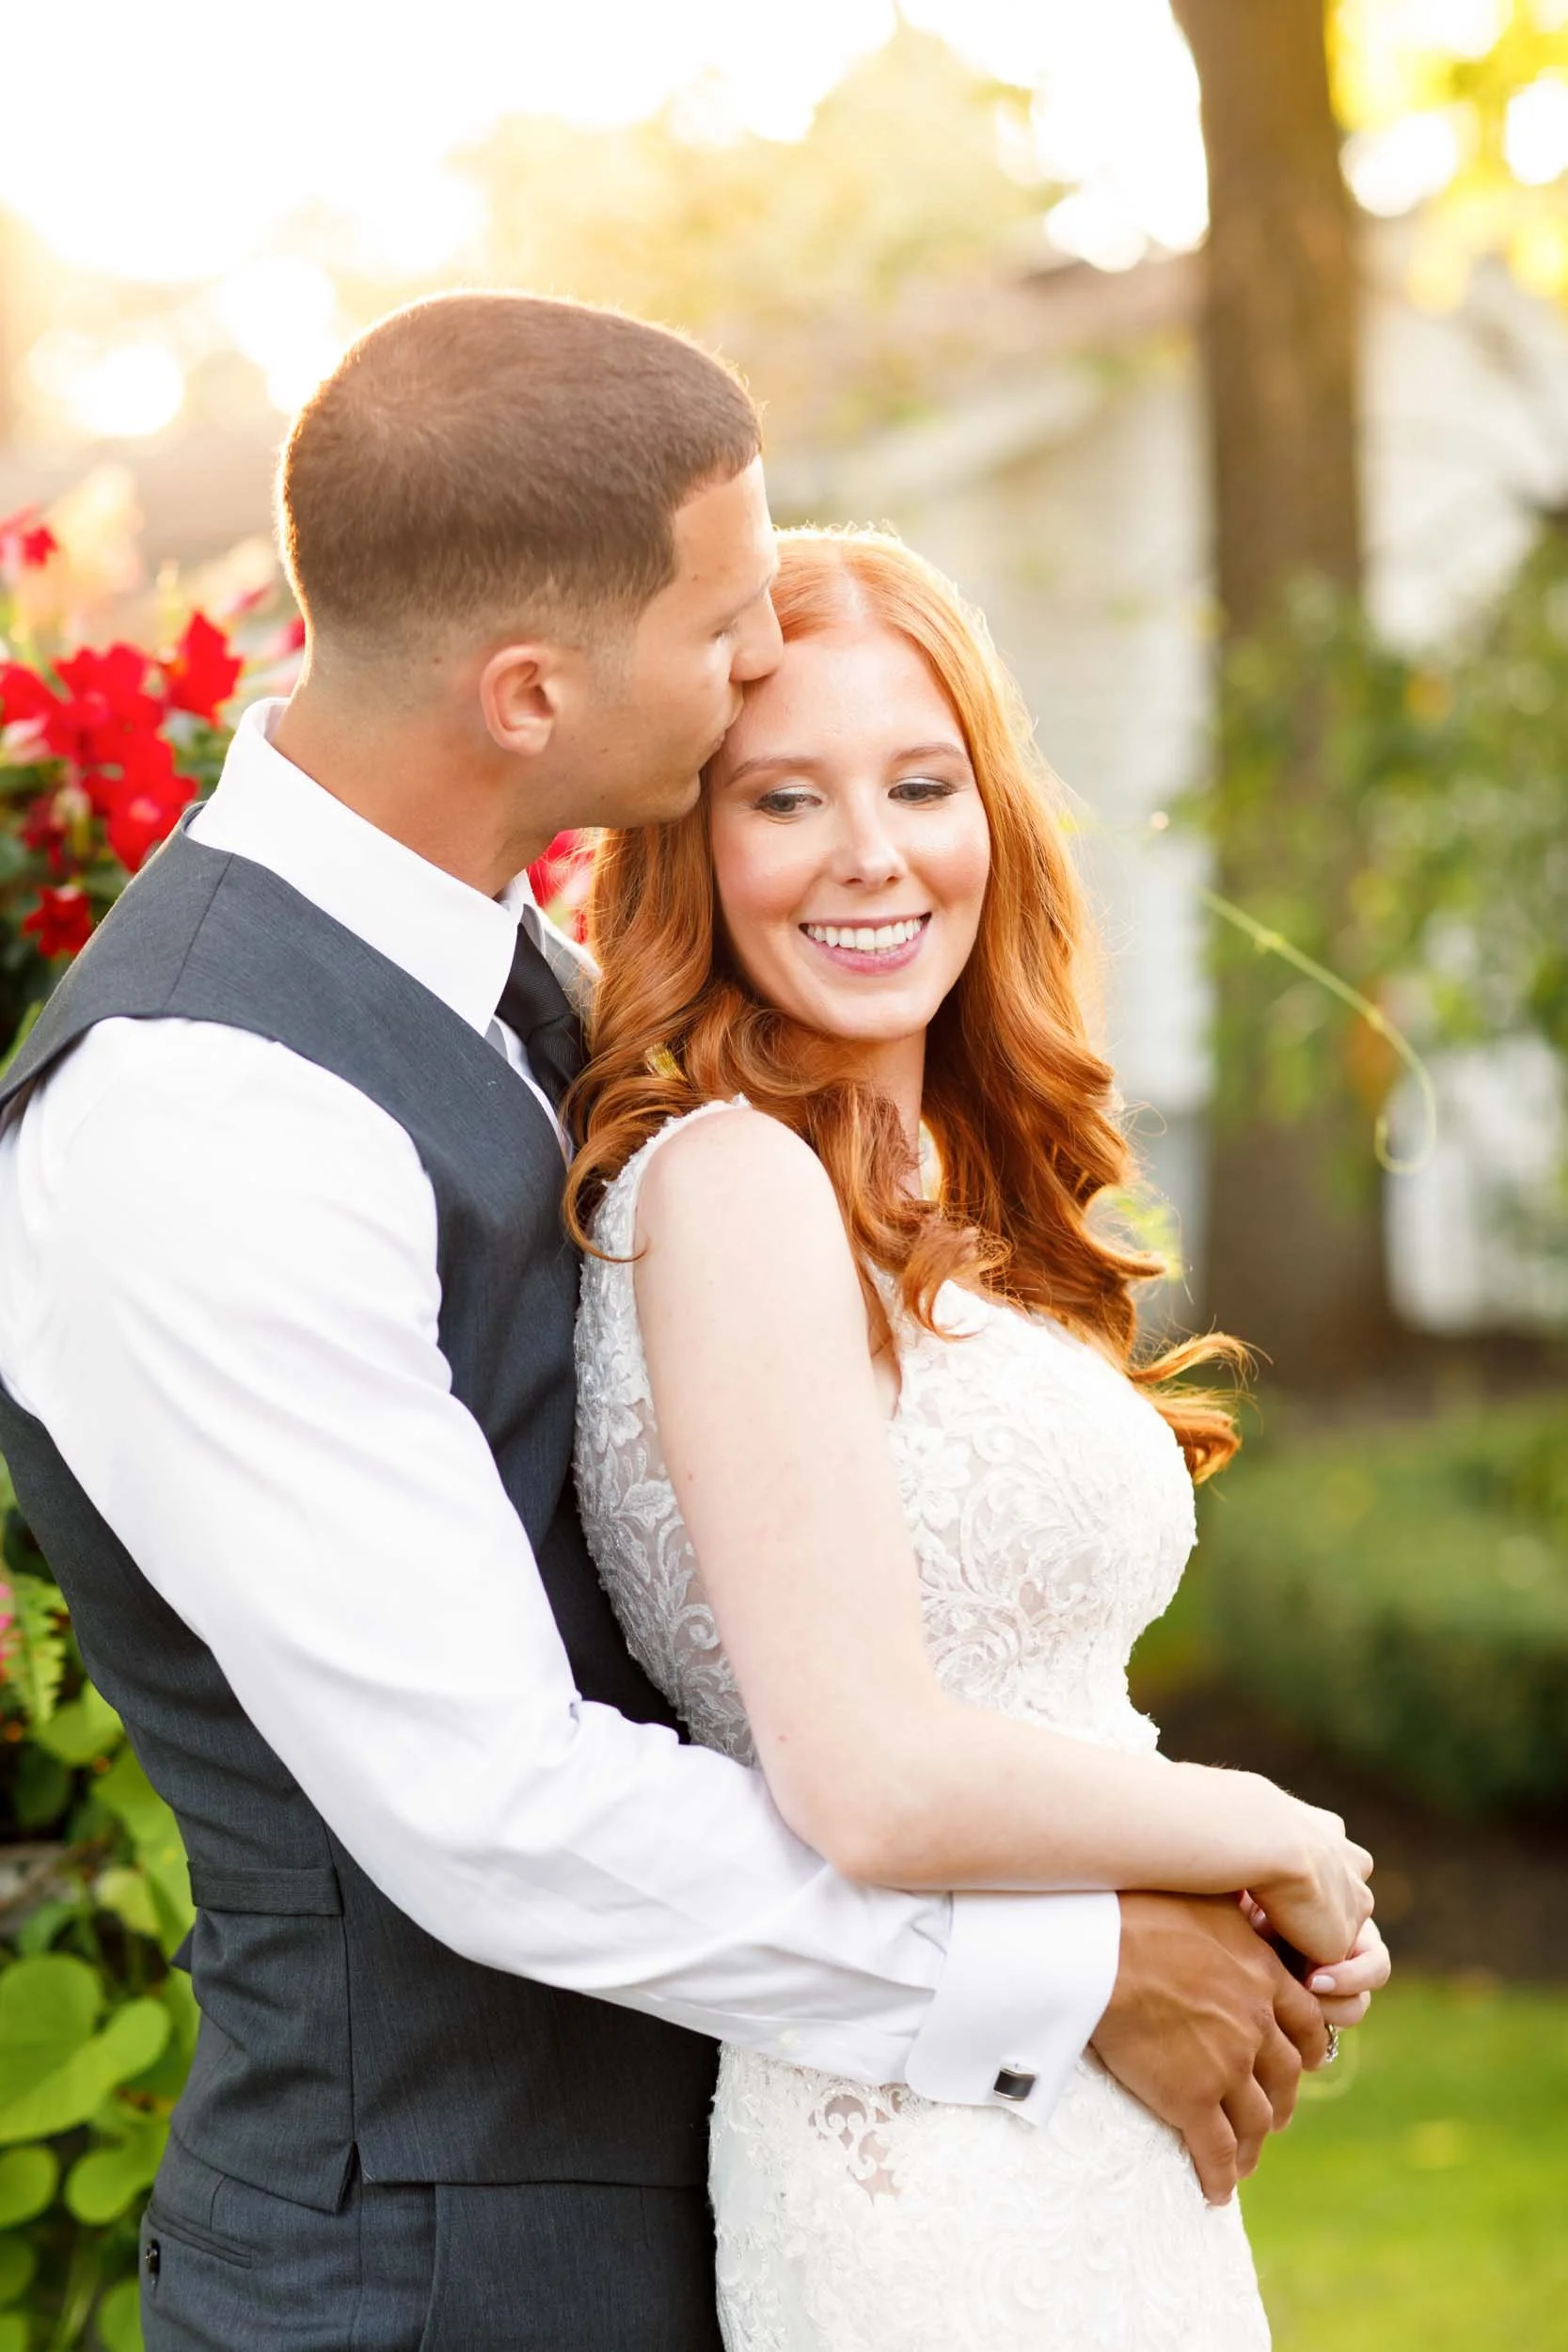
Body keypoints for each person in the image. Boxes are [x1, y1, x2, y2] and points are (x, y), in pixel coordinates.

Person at [0, 294, 1374, 2352]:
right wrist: (1061, 1966)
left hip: (742, 2191)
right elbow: (498, 1809)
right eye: (727, 624)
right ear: (532, 689)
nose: (763, 660)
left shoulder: (545, 996)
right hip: (432, 2281)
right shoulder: (205, 1106)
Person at [568, 526, 1389, 2350]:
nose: (869, 851)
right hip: (923, 2166)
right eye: (785, 796)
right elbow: (864, 1772)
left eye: (918, 782)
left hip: (1086, 2133)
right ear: (694, 846)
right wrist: (1259, 1826)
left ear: (989, 815)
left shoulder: (931, 1188)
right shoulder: (730, 1183)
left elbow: (1020, 1704)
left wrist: (1237, 1924)